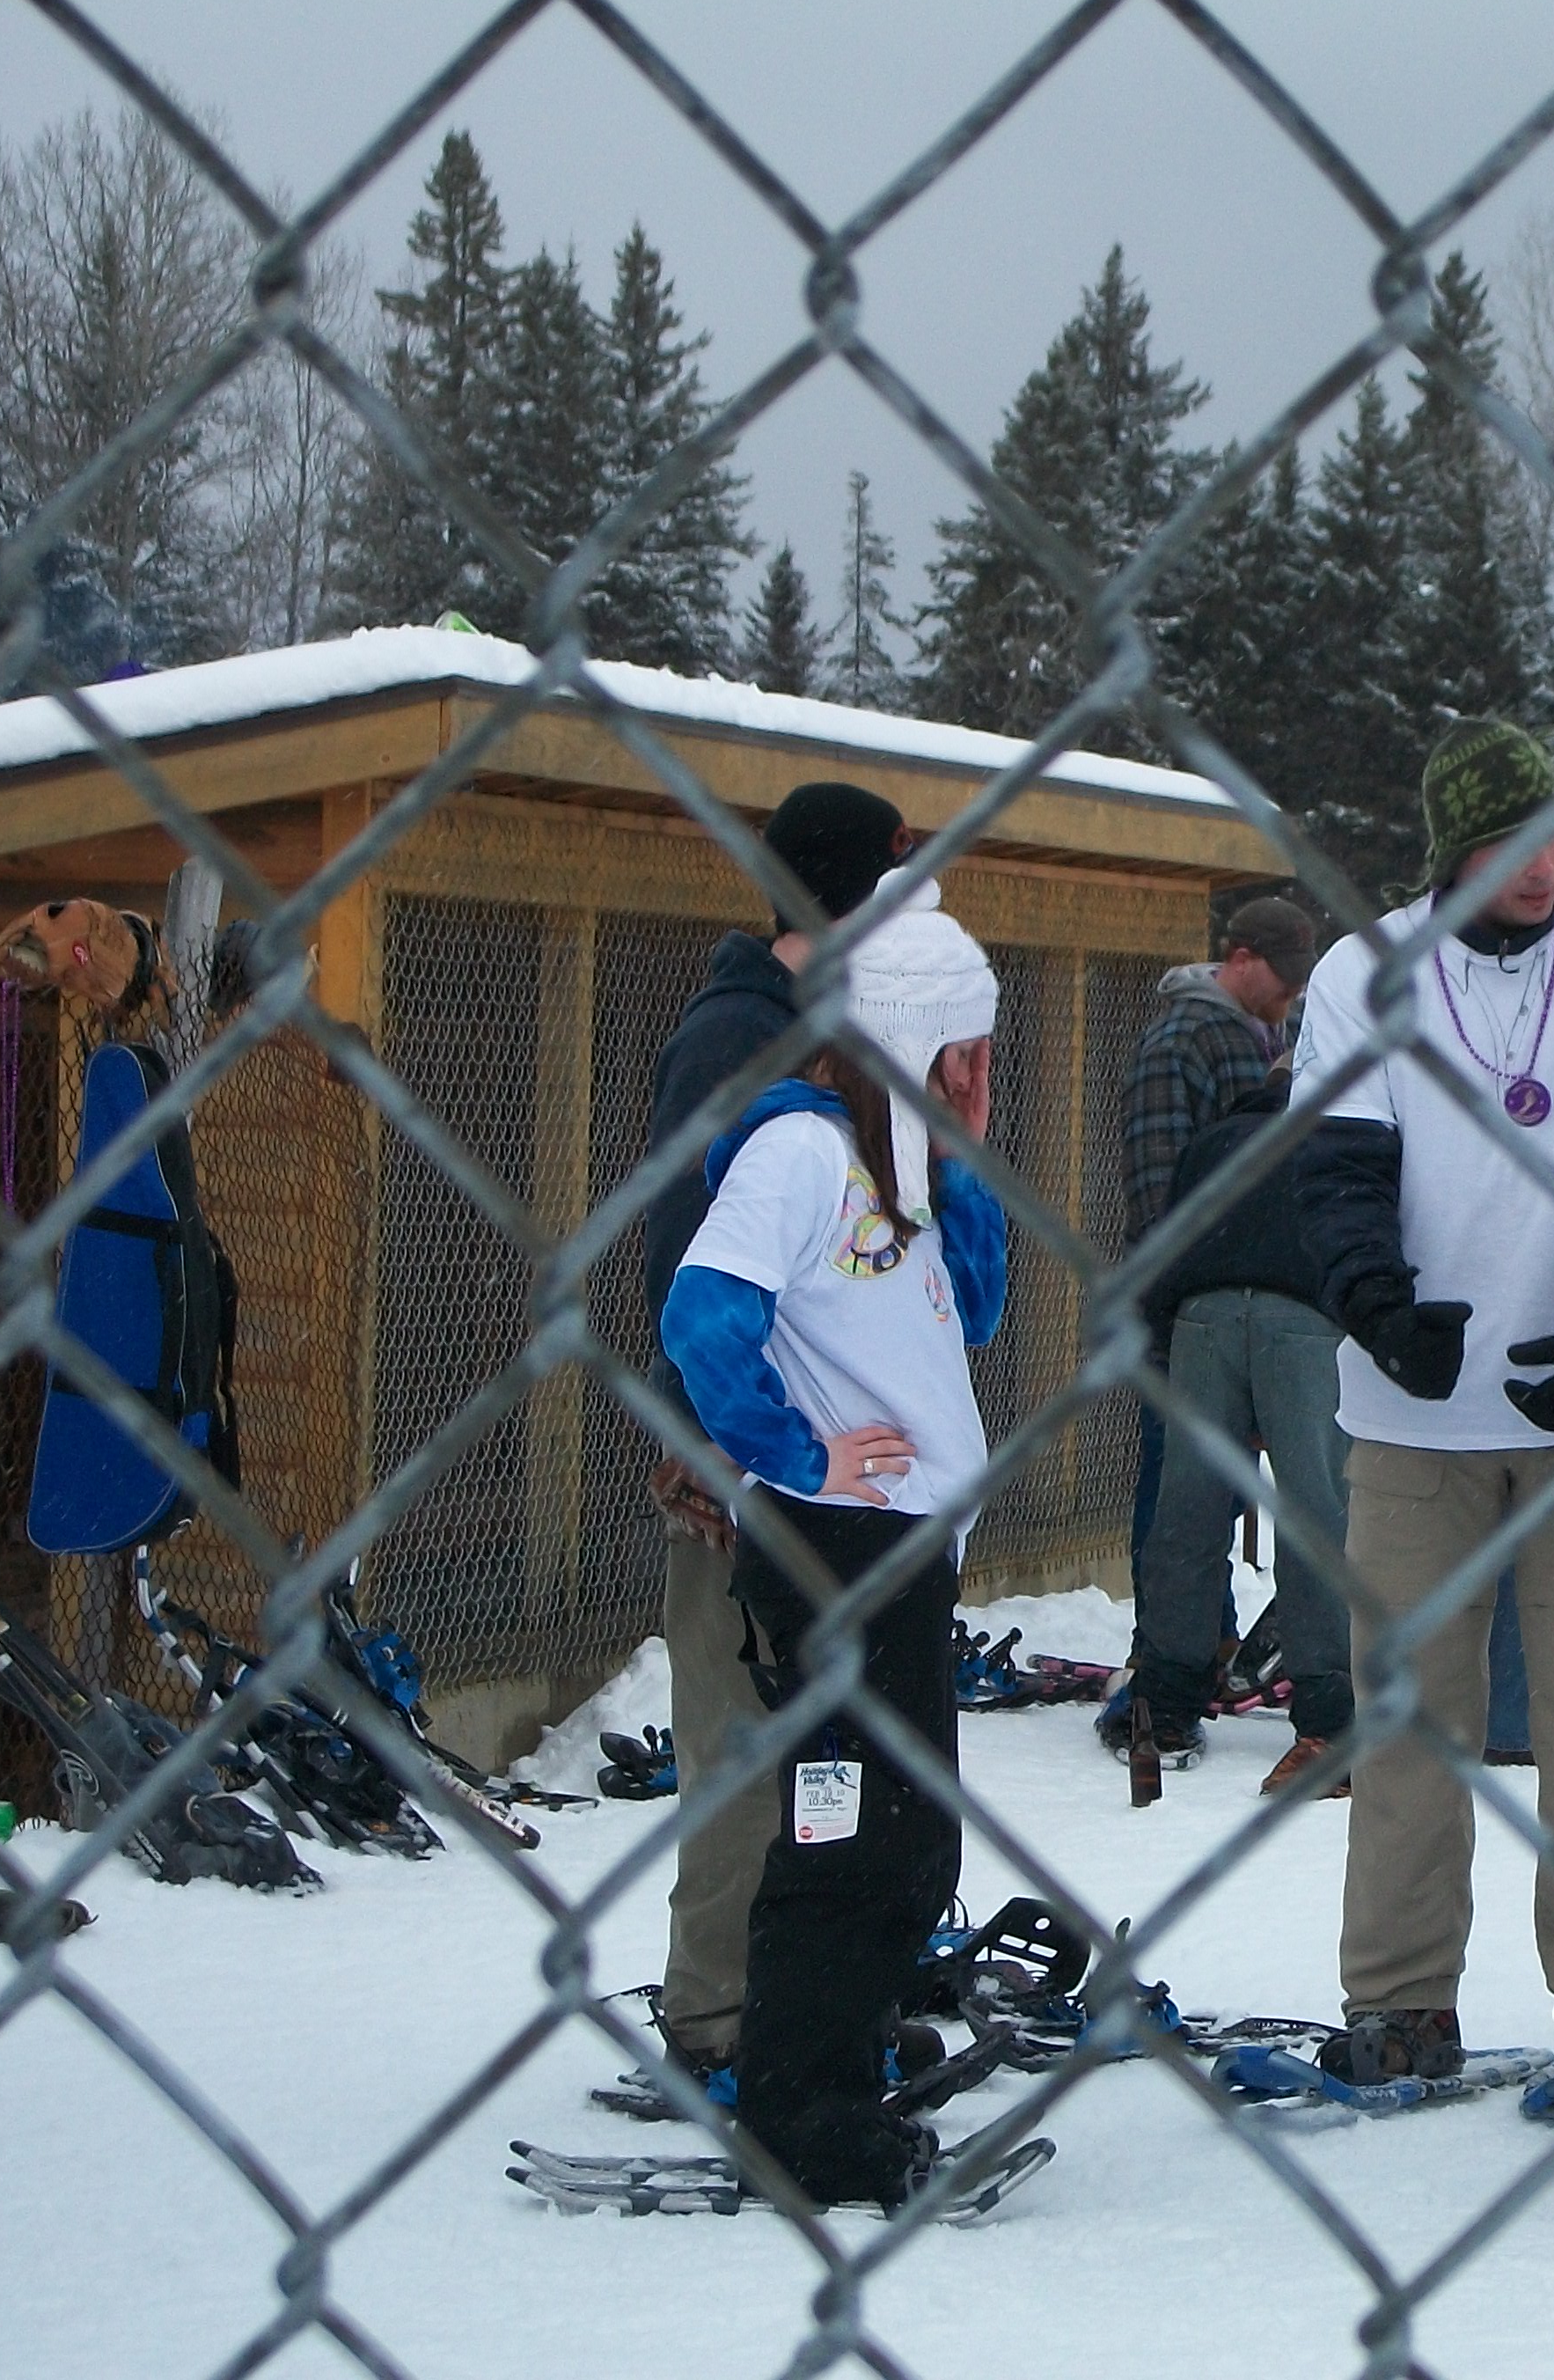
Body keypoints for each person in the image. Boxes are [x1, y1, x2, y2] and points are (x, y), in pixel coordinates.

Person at [1290, 718, 1554, 2094]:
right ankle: (1401, 2000)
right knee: (1413, 1724)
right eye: (1509, 841)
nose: (1541, 864)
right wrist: (1382, 1314)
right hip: (1415, 1427)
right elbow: (1338, 1169)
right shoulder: (1366, 972)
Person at [659, 882, 1006, 2210]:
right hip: (832, 1545)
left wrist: (961, 1156)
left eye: (984, 1054)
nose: (974, 1075)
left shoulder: (896, 1161)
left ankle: (833, 2059)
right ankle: (802, 2113)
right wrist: (796, 1455)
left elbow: (969, 1313)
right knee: (853, 1830)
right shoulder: (797, 1153)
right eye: (955, 1052)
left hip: (904, 1549)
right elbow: (704, 1317)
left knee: (908, 1841)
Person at [636, 782, 910, 2097]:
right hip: (750, 1459)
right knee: (744, 1736)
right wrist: (714, 1441)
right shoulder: (740, 1039)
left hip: (847, 1465)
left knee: (833, 1747)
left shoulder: (836, 1031)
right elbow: (685, 1264)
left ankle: (803, 1996)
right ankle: (719, 2015)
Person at [1127, 1057, 1355, 1796]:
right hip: (1306, 1320)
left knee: (1188, 1508)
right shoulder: (1345, 1134)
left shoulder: (1215, 1140)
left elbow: (1168, 1242)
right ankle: (1328, 1716)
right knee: (1315, 1513)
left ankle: (1163, 1701)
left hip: (1206, 1314)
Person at [1118, 894, 1321, 1583]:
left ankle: (1223, 1640)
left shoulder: (1278, 1038)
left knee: (1239, 1488)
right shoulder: (1181, 1041)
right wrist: (1168, 1317)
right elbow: (1156, 1192)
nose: (1294, 989)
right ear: (1239, 959)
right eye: (1283, 973)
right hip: (1191, 1310)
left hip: (1278, 1302)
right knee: (1184, 1488)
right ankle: (1174, 1651)